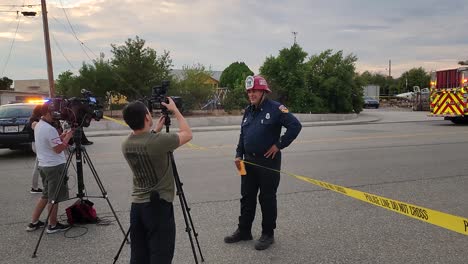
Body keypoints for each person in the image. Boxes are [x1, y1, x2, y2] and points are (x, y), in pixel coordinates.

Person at [224, 75, 302, 250]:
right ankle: (244, 231)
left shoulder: (275, 108)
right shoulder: (248, 110)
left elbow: (295, 126)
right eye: (249, 91)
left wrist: (279, 145)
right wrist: (238, 154)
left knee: (266, 198)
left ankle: (268, 234)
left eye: (255, 91)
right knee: (246, 197)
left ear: (263, 92)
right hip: (247, 162)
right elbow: (243, 135)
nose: (251, 94)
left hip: (268, 162)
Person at [121, 98, 192, 264]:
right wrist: (175, 110)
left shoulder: (126, 144)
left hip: (137, 207)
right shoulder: (158, 142)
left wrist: (154, 131)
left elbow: (145, 142)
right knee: (161, 255)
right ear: (147, 118)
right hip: (157, 207)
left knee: (139, 255)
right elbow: (187, 134)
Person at [26, 101, 73, 233]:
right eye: (53, 114)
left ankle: (33, 222)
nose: (56, 116)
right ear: (46, 113)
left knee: (45, 195)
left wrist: (61, 136)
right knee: (54, 197)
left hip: (44, 165)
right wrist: (68, 137)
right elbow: (58, 149)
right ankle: (52, 225)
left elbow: (51, 142)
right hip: (54, 167)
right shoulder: (50, 129)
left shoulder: (39, 126)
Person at [29, 104, 43, 193]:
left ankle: (34, 186)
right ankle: (34, 187)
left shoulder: (34, 119)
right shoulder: (34, 121)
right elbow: (38, 130)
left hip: (36, 144)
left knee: (38, 165)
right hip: (36, 144)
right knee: (38, 166)